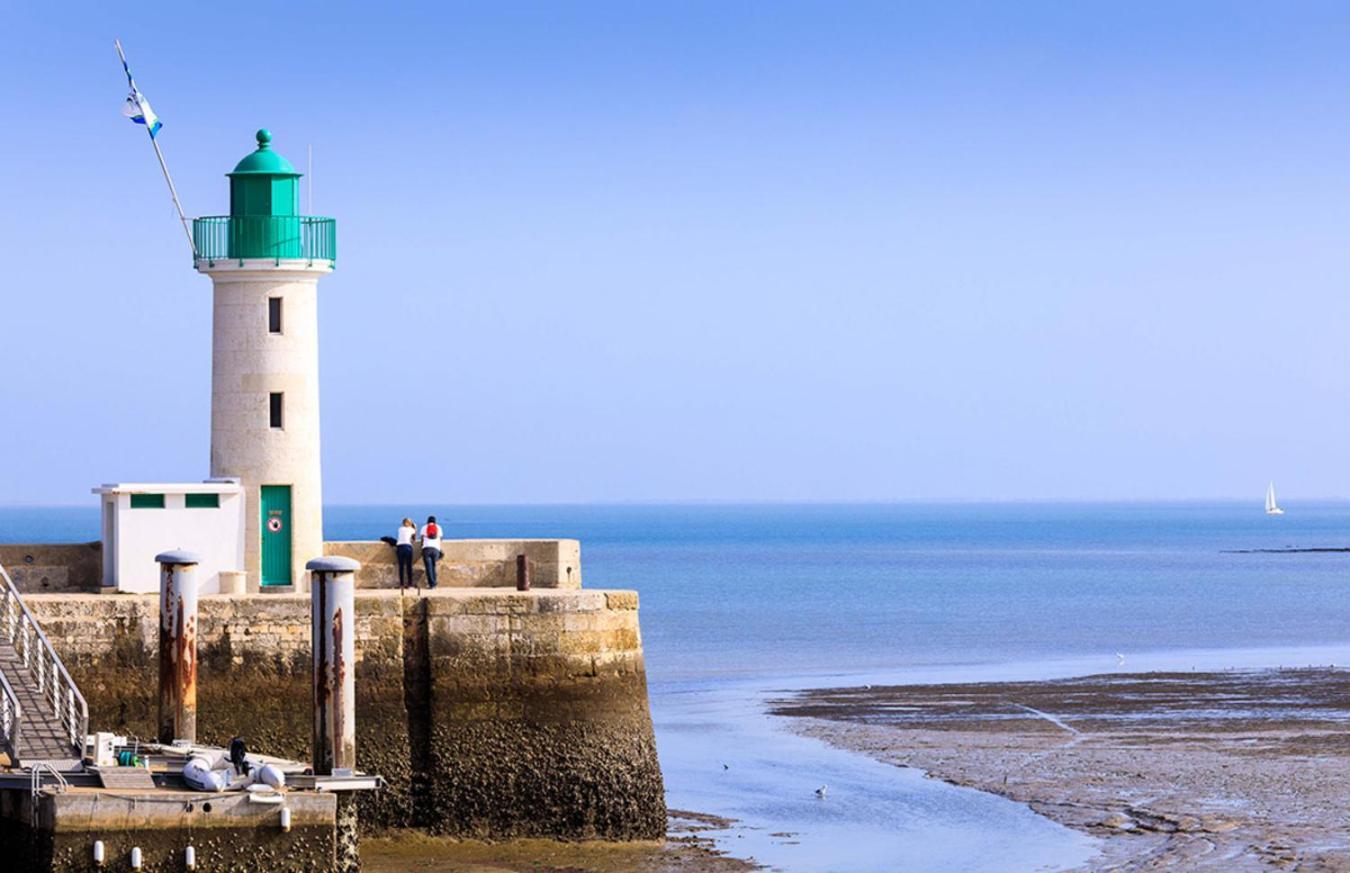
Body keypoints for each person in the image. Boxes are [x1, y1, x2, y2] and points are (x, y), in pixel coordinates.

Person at [419, 515, 443, 588]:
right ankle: (435, 583)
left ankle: (432, 584)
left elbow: (422, 539)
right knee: (433, 566)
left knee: (428, 567)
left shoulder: (424, 527)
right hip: (436, 549)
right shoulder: (438, 527)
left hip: (426, 548)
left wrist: (422, 547)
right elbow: (440, 538)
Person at [395, 517, 417, 590]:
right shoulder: (411, 529)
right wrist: (415, 528)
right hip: (407, 547)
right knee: (409, 566)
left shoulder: (400, 529)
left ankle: (401, 584)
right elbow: (414, 539)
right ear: (410, 523)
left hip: (399, 547)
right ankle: (410, 584)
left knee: (401, 567)